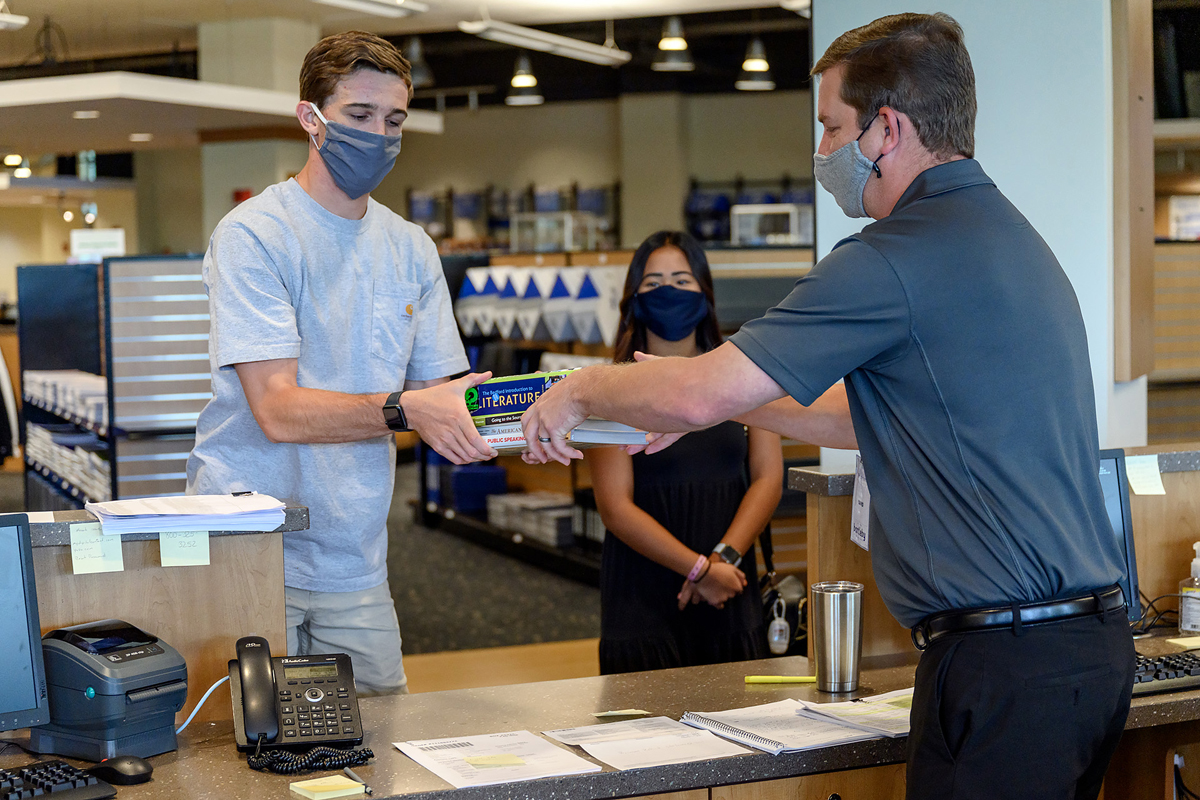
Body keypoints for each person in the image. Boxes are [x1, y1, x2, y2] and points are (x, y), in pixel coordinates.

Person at [521, 13, 1134, 799]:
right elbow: (872, 415)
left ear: (886, 129)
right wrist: (728, 411)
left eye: (830, 126)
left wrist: (575, 389)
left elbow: (703, 382)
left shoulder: (893, 256)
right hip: (1083, 653)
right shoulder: (1010, 239)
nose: (821, 154)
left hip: (1003, 669)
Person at [187, 31, 496, 696]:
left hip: (354, 559)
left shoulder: (411, 248)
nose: (379, 135)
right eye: (359, 116)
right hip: (248, 553)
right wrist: (407, 410)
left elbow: (438, 396)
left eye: (394, 121)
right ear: (311, 118)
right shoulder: (255, 235)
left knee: (379, 756)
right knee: (242, 767)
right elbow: (277, 409)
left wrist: (565, 413)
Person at [588, 231, 781, 674]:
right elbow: (615, 507)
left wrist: (721, 561)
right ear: (633, 298)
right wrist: (698, 570)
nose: (668, 292)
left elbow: (768, 478)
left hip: (730, 582)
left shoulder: (744, 375)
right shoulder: (608, 387)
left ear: (705, 293)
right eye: (653, 283)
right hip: (643, 593)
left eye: (682, 279)